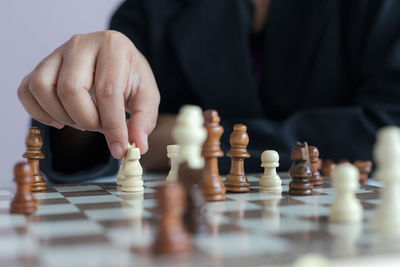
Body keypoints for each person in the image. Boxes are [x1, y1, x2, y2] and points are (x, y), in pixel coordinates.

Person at [17, 0, 400, 183]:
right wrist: (80, 86)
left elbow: (388, 131)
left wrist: (181, 142)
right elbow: (79, 144)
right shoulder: (149, 12)